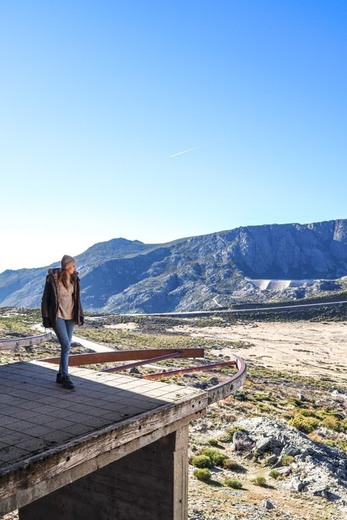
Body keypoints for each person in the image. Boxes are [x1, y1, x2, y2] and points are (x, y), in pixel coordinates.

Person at [41, 254, 84, 390]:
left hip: (70, 316)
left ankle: (60, 375)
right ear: (67, 266)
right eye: (73, 266)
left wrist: (80, 315)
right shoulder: (53, 279)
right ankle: (65, 376)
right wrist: (46, 317)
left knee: (67, 346)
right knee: (65, 344)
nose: (74, 268)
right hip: (57, 315)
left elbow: (77, 299)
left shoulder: (74, 279)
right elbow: (45, 299)